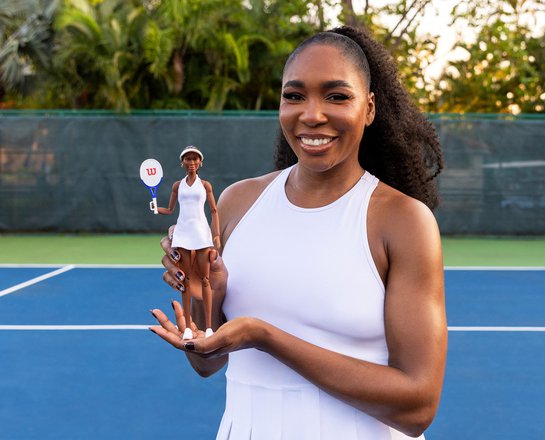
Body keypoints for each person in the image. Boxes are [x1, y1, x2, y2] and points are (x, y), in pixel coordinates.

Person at [150, 26, 447, 439]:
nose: (311, 114)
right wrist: (202, 291)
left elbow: (417, 407)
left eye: (336, 96)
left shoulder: (402, 221)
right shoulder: (239, 202)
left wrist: (266, 336)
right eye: (294, 95)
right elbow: (207, 361)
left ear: (370, 108)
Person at [154, 145, 220, 340]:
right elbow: (171, 209)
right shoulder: (177, 186)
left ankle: (209, 327)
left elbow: (214, 210)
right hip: (183, 233)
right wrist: (158, 209)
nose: (191, 163)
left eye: (195, 159)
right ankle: (189, 327)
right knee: (186, 279)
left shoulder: (206, 185)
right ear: (182, 163)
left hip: (201, 234)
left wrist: (215, 234)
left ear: (200, 163)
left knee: (205, 279)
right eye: (188, 159)